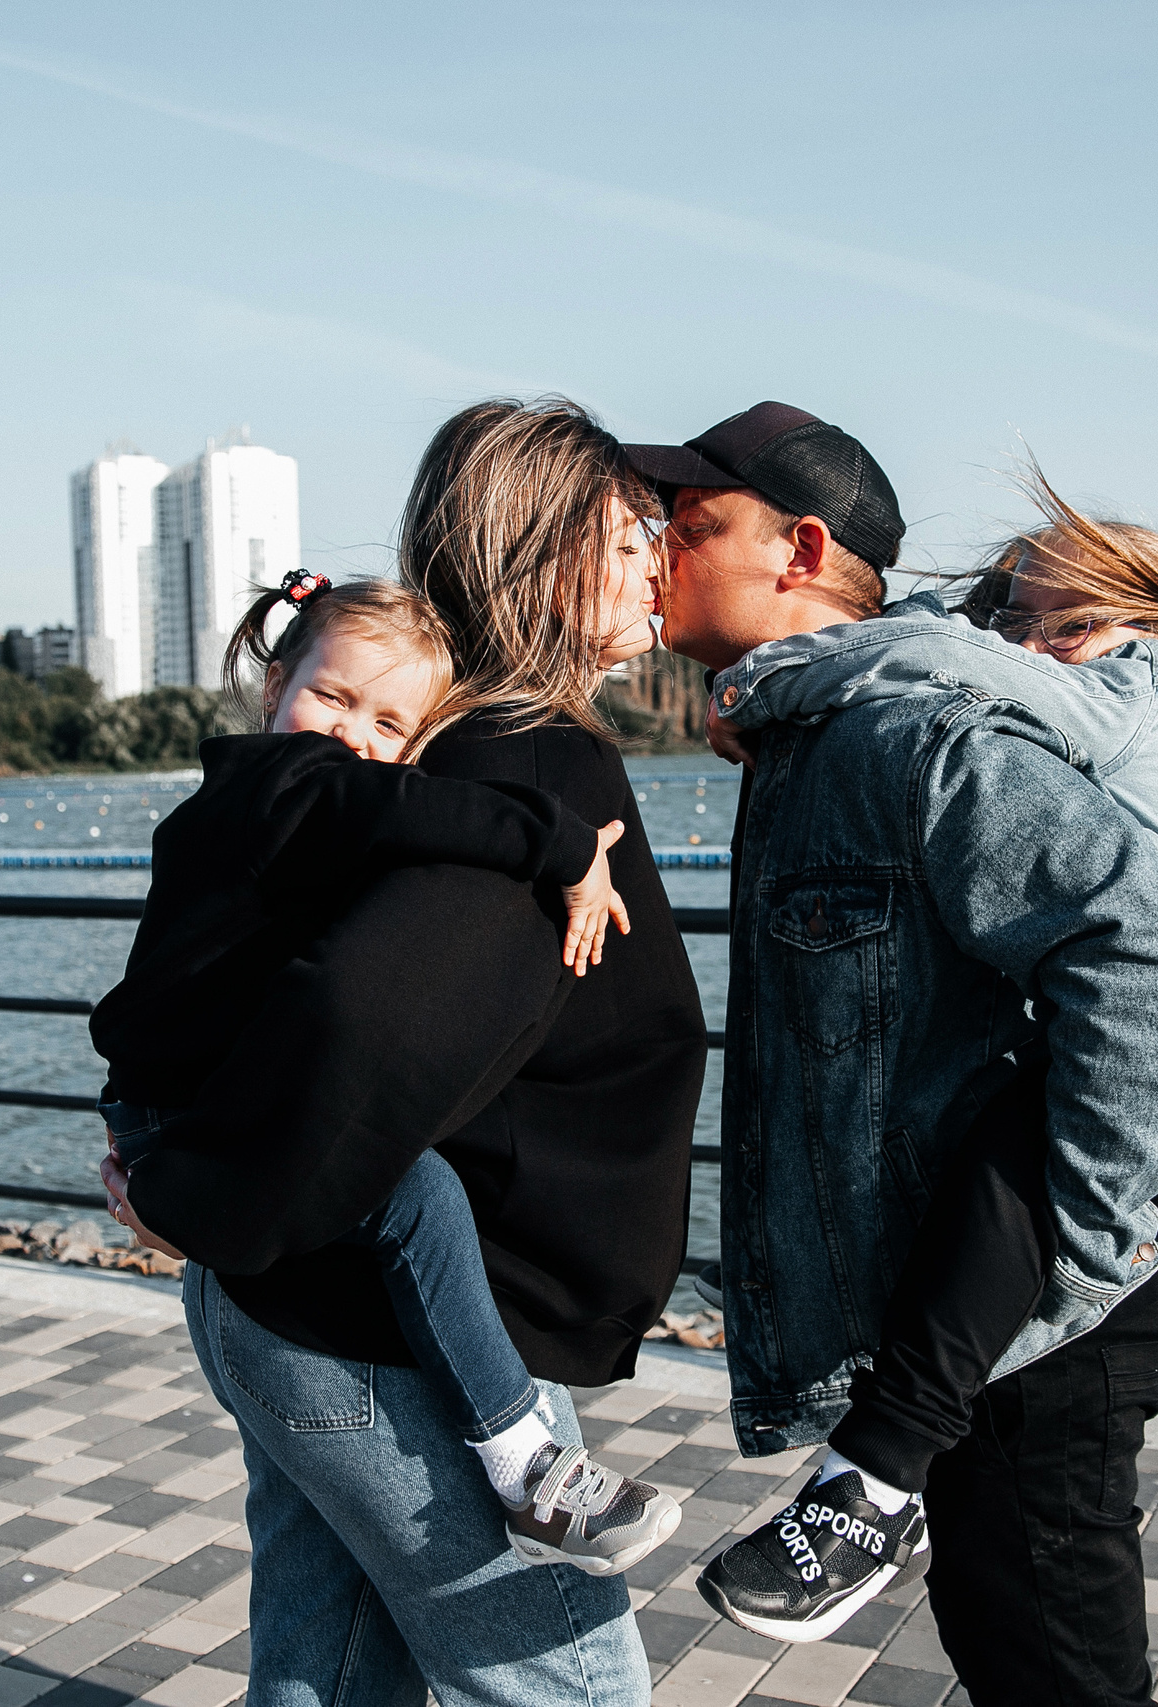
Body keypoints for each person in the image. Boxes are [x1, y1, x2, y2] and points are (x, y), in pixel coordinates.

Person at [101, 397, 707, 1707]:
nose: (657, 559)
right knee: (577, 1691)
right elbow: (355, 1030)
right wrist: (188, 1192)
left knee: (330, 1678)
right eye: (629, 535)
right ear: (536, 551)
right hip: (373, 1337)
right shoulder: (525, 766)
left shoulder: (481, 756)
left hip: (322, 1307)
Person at [691, 459, 1158, 1657]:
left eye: (1052, 617)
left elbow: (954, 672)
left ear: (1127, 621)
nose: (1023, 641)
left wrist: (795, 666)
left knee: (1034, 1105)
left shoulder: (1137, 686)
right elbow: (943, 643)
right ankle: (886, 1474)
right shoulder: (1044, 667)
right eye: (1010, 610)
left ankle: (876, 1476)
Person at [623, 401, 1158, 1703]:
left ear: (801, 548)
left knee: (1058, 1674)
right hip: (967, 1309)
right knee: (1013, 1651)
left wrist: (1080, 1236)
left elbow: (1155, 951)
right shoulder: (814, 729)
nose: (656, 549)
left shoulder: (907, 735)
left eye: (690, 523)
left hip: (1032, 1320)